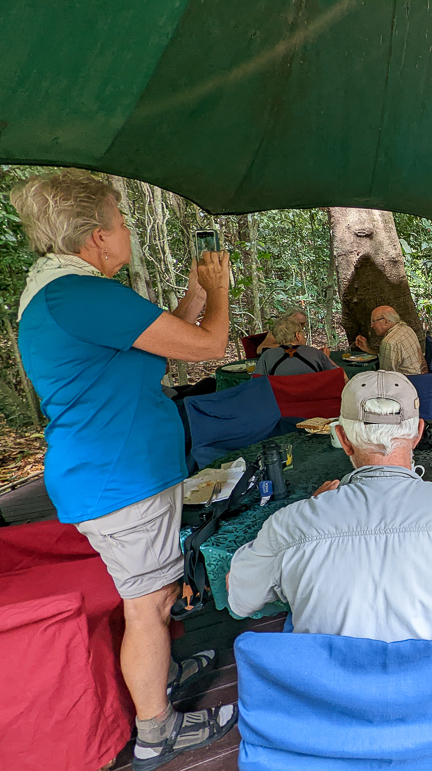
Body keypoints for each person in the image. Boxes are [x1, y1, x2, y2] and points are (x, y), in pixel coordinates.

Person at [11, 170, 237, 770]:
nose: (128, 230)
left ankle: (159, 670)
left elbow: (161, 338)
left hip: (115, 472)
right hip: (116, 480)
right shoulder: (80, 297)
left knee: (153, 598)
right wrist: (218, 291)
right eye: (122, 220)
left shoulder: (68, 293)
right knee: (149, 607)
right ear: (96, 237)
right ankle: (156, 731)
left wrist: (190, 293)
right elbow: (208, 344)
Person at [227, 371, 432, 640]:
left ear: (343, 439)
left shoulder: (289, 525)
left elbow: (240, 600)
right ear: (417, 433)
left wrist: (309, 511)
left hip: (333, 692)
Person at [253, 314, 338, 376]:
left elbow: (256, 383)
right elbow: (339, 375)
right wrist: (326, 358)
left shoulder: (266, 356)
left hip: (279, 400)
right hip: (312, 399)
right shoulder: (316, 353)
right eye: (302, 333)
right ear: (297, 335)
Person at [354, 305, 428, 376]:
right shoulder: (406, 328)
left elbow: (386, 376)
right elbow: (388, 355)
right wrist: (368, 349)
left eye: (373, 321)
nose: (371, 326)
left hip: (408, 382)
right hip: (421, 376)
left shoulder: (389, 342)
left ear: (386, 321)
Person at [254, 308, 320, 354]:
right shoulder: (279, 331)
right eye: (299, 323)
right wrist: (287, 346)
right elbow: (260, 349)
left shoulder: (299, 333)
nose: (302, 327)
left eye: (303, 324)